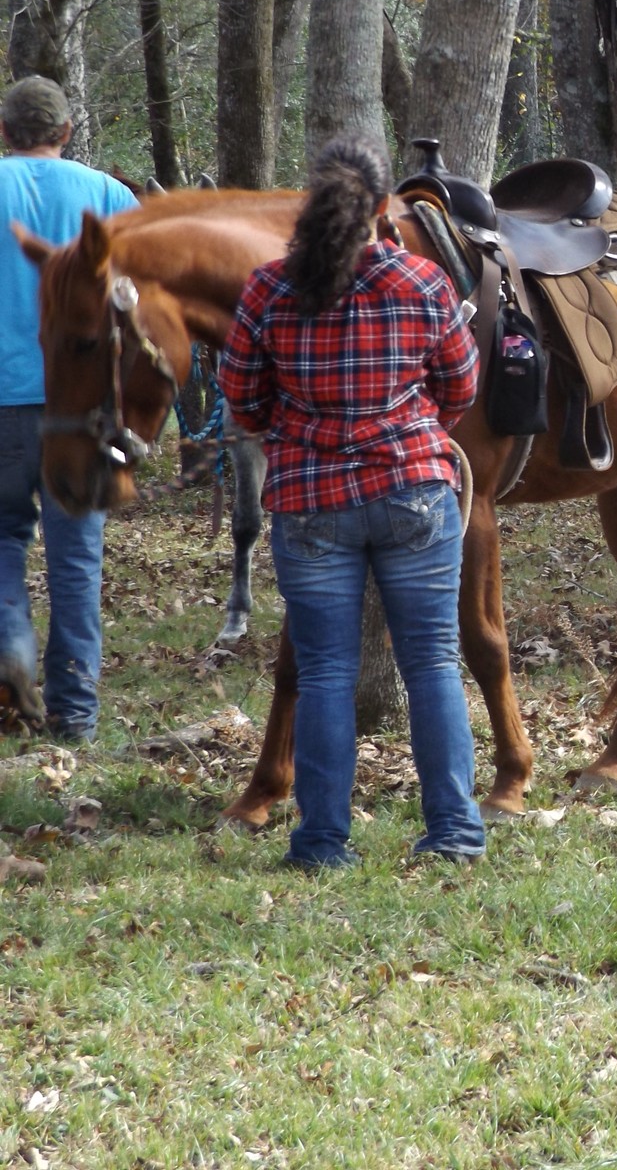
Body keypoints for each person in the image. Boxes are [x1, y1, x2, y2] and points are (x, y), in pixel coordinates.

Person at [218, 136, 487, 870]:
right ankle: (455, 832)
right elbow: (461, 388)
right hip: (413, 492)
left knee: (327, 672)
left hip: (309, 501)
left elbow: (241, 400)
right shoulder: (425, 283)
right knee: (433, 662)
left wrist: (298, 424)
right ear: (379, 210)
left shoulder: (267, 289)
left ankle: (320, 843)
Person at [0, 78, 138, 739]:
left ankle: (12, 656)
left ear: (4, 131)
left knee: (1, 542)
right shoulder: (109, 198)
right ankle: (75, 712)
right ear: (66, 131)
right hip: (79, 411)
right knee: (77, 555)